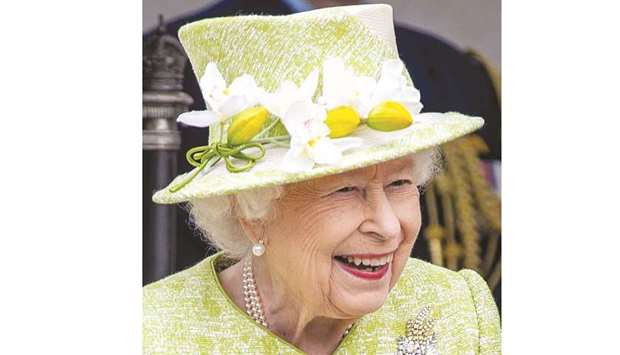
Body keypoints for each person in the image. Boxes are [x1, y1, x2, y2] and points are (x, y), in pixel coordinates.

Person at [143, 4, 500, 354]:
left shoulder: (457, 311)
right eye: (345, 190)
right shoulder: (152, 334)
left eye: (399, 184)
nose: (389, 228)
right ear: (252, 213)